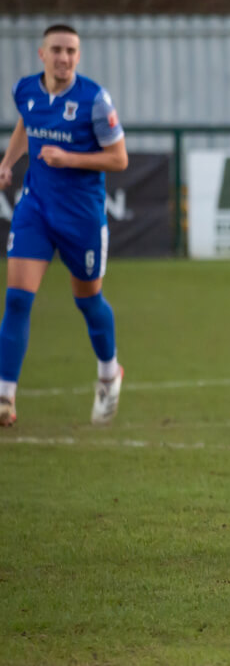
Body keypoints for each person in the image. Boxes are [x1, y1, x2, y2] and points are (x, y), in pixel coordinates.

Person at [0, 24, 128, 427]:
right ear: (42, 54)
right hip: (35, 209)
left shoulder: (94, 99)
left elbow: (119, 159)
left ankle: (109, 372)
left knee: (88, 301)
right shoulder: (26, 90)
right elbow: (26, 123)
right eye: (57, 50)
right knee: (18, 299)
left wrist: (69, 159)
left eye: (71, 51)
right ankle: (5, 396)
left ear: (78, 55)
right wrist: (8, 162)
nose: (64, 58)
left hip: (82, 217)